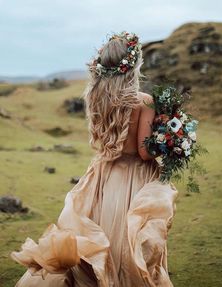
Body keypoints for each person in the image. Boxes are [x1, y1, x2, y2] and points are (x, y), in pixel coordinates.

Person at [11, 31, 179, 287]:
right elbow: (145, 152)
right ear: (134, 65)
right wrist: (172, 141)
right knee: (130, 246)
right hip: (136, 180)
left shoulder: (95, 97)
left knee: (99, 241)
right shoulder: (144, 102)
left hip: (102, 176)